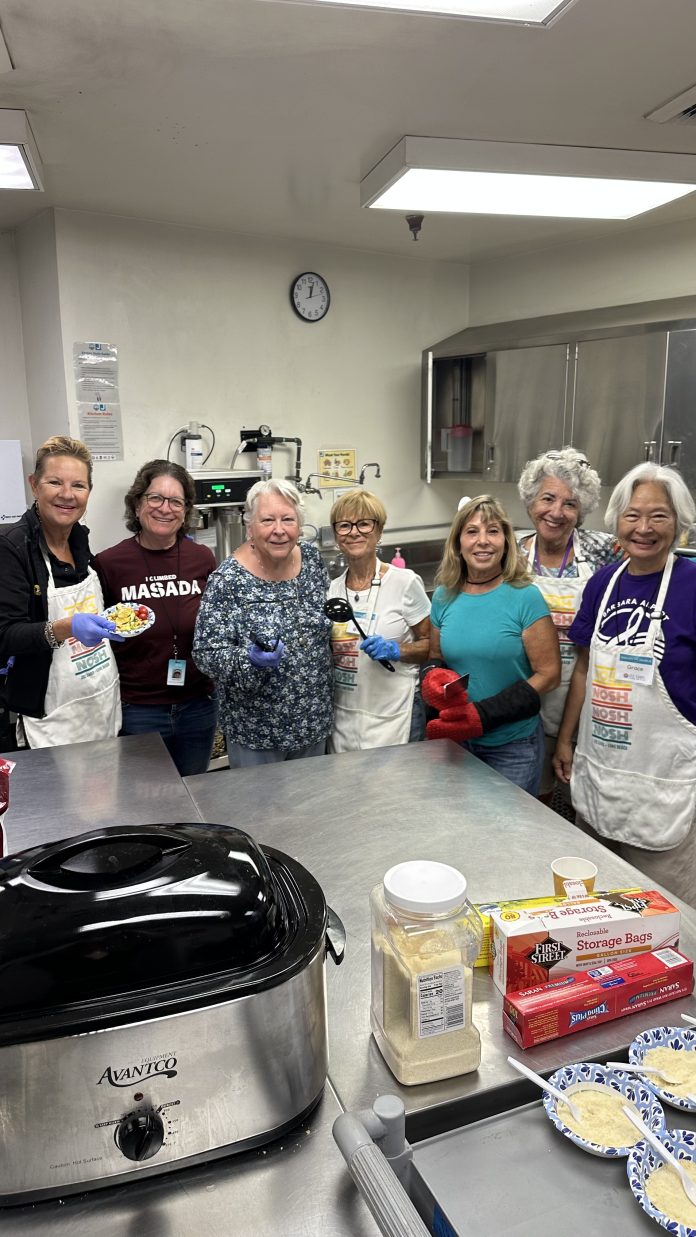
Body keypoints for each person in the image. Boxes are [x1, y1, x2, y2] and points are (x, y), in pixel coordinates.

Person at [553, 462, 696, 903]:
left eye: (659, 516)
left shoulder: (692, 586)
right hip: (601, 768)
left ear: (679, 523)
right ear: (617, 520)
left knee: (665, 912)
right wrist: (565, 739)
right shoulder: (602, 583)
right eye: (633, 515)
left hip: (666, 774)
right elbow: (583, 668)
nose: (644, 528)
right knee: (595, 906)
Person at [422, 495, 560, 795]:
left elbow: (549, 675)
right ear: (458, 543)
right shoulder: (444, 595)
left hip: (512, 746)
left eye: (493, 531)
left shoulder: (525, 597)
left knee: (504, 825)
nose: (482, 541)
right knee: (458, 820)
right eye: (472, 531)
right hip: (457, 741)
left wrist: (485, 714)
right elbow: (436, 656)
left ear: (506, 542)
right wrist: (431, 676)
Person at [193, 478, 333, 767]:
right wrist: (249, 660)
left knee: (313, 798)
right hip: (256, 733)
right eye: (267, 520)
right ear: (250, 527)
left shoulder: (311, 560)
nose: (279, 530)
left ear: (299, 525)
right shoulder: (229, 580)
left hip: (313, 722)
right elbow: (206, 654)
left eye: (288, 519)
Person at [94, 460, 218, 777]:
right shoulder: (109, 563)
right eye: (155, 498)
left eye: (176, 501)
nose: (165, 508)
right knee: (145, 798)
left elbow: (217, 625)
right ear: (137, 505)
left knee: (194, 792)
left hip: (197, 704)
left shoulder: (202, 559)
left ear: (185, 511)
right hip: (139, 709)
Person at [0, 435, 122, 748]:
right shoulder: (12, 547)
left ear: (89, 491)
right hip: (51, 717)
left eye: (78, 485)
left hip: (100, 703)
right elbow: (6, 635)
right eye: (55, 482)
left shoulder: (79, 538)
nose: (67, 495)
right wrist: (67, 628)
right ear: (34, 484)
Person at [517, 447, 623, 800]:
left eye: (570, 504)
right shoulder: (509, 552)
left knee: (577, 796)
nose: (556, 512)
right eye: (548, 498)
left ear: (581, 512)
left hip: (582, 693)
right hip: (523, 692)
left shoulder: (605, 550)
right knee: (528, 797)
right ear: (531, 501)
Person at [326, 490, 430, 751]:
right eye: (344, 525)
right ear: (336, 535)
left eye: (364, 524)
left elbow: (433, 645)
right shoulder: (332, 590)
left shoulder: (404, 582)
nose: (354, 532)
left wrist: (397, 650)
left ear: (379, 531)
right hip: (344, 715)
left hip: (396, 713)